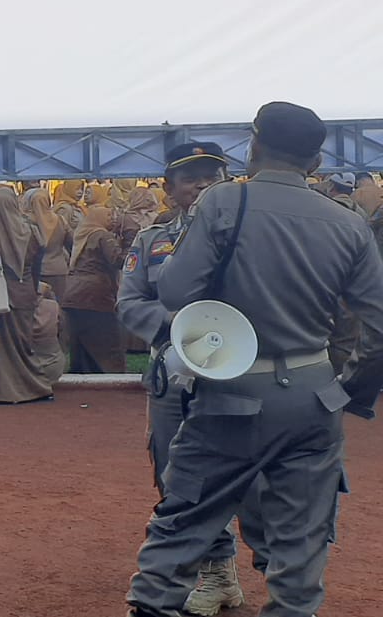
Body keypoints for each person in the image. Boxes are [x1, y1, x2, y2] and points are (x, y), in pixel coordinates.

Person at [127, 102, 383, 617]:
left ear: (255, 145)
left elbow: (176, 291)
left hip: (231, 391)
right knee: (302, 538)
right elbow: (377, 326)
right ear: (314, 159)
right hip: (314, 395)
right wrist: (347, 390)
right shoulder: (348, 221)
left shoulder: (224, 202)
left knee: (186, 518)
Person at [115, 140, 258, 615]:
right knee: (177, 476)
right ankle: (216, 570)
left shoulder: (252, 237)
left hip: (242, 374)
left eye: (211, 174)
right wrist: (182, 337)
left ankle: (286, 578)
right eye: (191, 176)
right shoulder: (151, 241)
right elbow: (130, 302)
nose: (202, 184)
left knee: (256, 475)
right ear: (168, 188)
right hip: (174, 376)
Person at [0, 187, 53, 403]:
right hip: (25, 293)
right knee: (23, 347)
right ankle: (35, 387)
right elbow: (37, 266)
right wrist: (34, 288)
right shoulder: (33, 232)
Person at [61, 205, 126, 372]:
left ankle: (82, 374)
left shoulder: (83, 232)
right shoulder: (101, 235)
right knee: (107, 338)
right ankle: (112, 375)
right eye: (109, 215)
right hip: (95, 294)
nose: (113, 218)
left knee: (81, 341)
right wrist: (132, 247)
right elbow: (117, 260)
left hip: (73, 292)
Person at [26, 187, 73, 299]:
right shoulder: (60, 220)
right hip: (59, 270)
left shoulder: (27, 222)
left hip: (35, 272)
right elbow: (71, 243)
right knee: (58, 307)